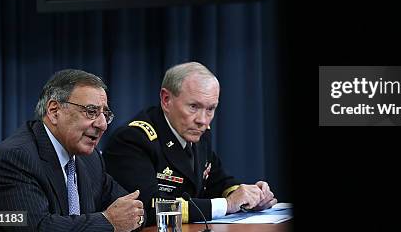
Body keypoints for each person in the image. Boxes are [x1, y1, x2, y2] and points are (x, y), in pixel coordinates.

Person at [0, 69, 144, 232]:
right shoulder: (16, 158)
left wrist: (132, 216)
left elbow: (130, 210)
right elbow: (37, 227)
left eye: (105, 114)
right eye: (91, 112)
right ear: (54, 111)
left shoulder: (91, 160)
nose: (102, 124)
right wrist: (108, 222)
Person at [103, 62, 277, 226]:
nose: (202, 120)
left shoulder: (198, 133)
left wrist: (251, 197)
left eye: (210, 109)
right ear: (166, 100)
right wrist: (227, 205)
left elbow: (219, 181)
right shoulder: (134, 139)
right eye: (194, 106)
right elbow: (148, 206)